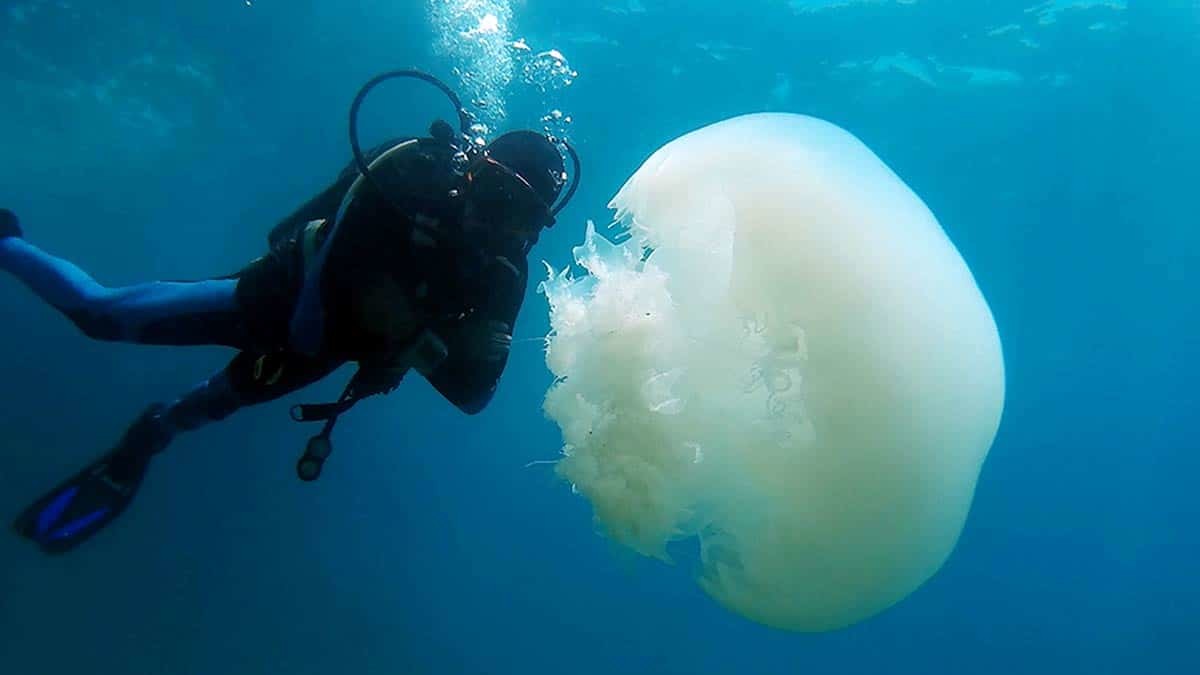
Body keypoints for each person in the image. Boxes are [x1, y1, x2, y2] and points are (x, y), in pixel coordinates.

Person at [0, 70, 579, 554]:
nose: (501, 225)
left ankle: (149, 435)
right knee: (101, 315)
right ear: (474, 171)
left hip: (322, 351)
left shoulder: (504, 273)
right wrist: (421, 339)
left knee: (207, 406)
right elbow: (315, 248)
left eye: (523, 218)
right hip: (270, 297)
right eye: (499, 197)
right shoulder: (413, 173)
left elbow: (474, 396)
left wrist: (418, 343)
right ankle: (7, 243)